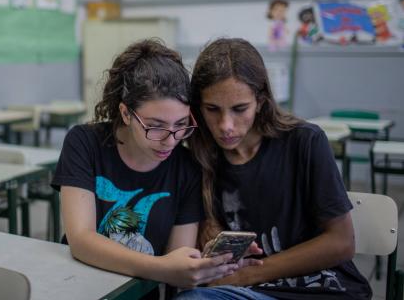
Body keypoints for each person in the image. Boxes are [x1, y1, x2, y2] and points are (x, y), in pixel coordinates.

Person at [176, 38, 372, 299]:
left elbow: (342, 243)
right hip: (245, 292)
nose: (226, 125)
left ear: (261, 100)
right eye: (212, 109)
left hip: (322, 289)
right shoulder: (200, 155)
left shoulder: (305, 141)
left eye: (239, 109)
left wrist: (249, 274)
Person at [51, 39, 244, 298]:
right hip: (77, 286)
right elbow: (81, 241)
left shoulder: (186, 168)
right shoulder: (85, 143)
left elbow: (178, 259)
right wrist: (161, 268)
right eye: (155, 126)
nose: (170, 139)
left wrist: (205, 266)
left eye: (181, 124)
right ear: (127, 113)